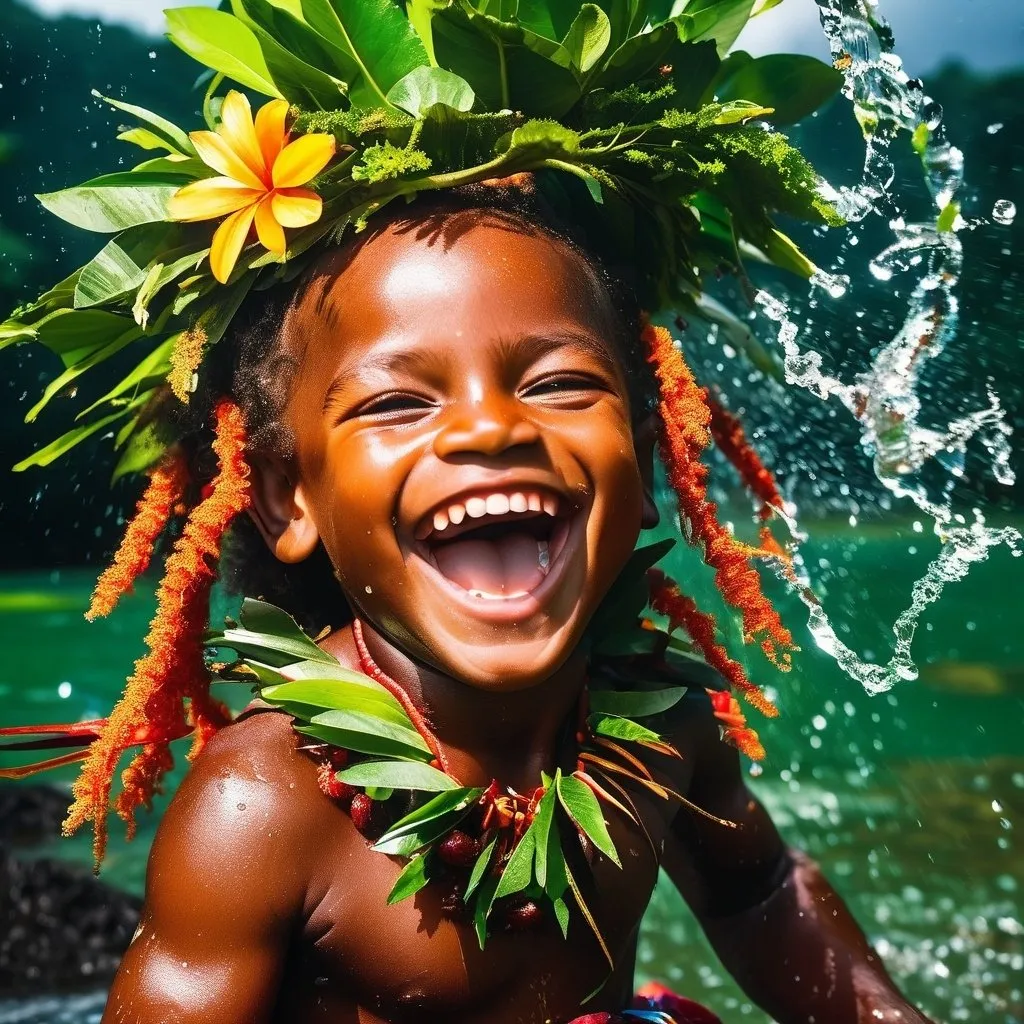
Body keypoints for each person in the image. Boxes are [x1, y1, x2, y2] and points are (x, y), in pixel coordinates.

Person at [0, 1, 938, 1021]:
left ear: (649, 437)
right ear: (287, 495)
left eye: (559, 383)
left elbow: (757, 892)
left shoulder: (657, 719)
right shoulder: (263, 809)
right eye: (400, 401)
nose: (490, 430)